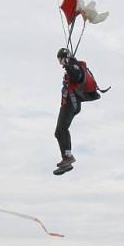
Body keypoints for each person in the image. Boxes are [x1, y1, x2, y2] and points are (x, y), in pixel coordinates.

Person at [54, 47, 101, 175]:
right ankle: (66, 157)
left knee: (61, 130)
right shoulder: (71, 65)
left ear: (64, 58)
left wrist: (68, 65)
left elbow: (78, 76)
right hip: (69, 104)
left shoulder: (73, 66)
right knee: (59, 132)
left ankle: (68, 158)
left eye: (60, 60)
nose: (59, 63)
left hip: (71, 103)